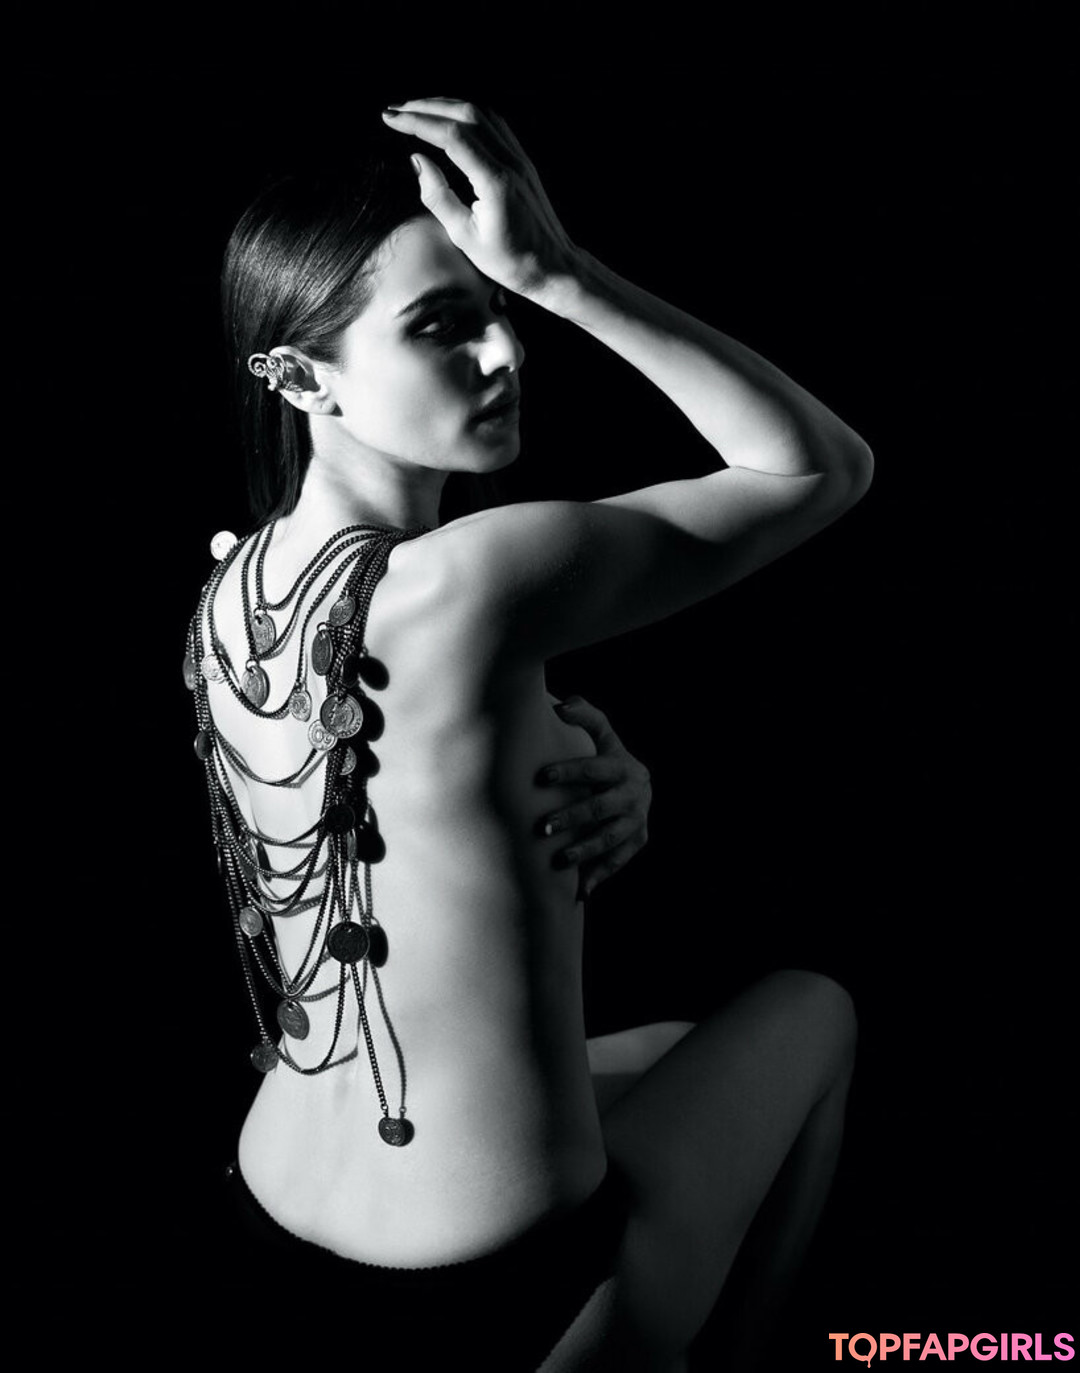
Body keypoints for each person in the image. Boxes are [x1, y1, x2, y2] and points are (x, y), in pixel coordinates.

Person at [189, 98, 872, 1371]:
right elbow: (818, 468)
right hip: (509, 1285)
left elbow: (375, 812)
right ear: (298, 378)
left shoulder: (235, 588)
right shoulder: (477, 575)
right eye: (443, 323)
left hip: (264, 1209)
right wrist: (564, 275)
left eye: (505, 305)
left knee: (678, 1052)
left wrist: (595, 761)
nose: (507, 348)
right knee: (816, 1009)